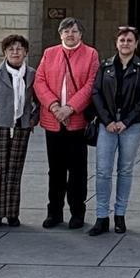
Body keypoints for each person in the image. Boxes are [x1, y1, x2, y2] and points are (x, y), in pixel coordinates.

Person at [33, 17, 99, 230]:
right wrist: (54, 107)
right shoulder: (49, 53)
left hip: (76, 120)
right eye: (66, 31)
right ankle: (54, 212)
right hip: (53, 121)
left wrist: (70, 108)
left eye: (74, 31)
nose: (70, 35)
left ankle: (77, 213)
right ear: (60, 34)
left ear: (81, 34)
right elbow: (39, 82)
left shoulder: (91, 54)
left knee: (78, 170)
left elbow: (91, 85)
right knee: (56, 170)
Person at [89, 26, 140, 236]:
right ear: (116, 43)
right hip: (107, 125)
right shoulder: (105, 65)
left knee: (125, 170)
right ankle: (101, 216)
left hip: (131, 126)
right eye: (122, 40)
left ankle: (120, 215)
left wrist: (126, 121)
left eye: (129, 40)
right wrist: (107, 121)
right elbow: (96, 93)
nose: (125, 43)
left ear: (136, 44)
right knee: (103, 171)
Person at [0, 34, 39, 228]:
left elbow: (39, 100)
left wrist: (33, 119)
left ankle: (12, 213)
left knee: (15, 171)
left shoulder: (31, 73)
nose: (15, 52)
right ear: (5, 52)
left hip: (21, 127)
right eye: (11, 49)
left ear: (25, 53)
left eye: (19, 49)